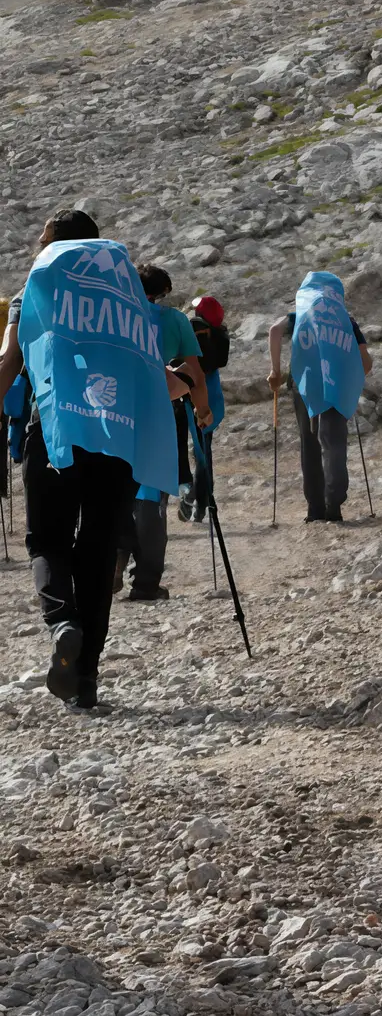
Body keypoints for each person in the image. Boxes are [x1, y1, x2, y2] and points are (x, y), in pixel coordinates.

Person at [0, 210, 186, 708]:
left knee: (47, 539)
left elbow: (8, 362)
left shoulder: (34, 292)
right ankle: (86, 680)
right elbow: (159, 376)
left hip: (57, 431)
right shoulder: (127, 299)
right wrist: (186, 389)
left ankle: (62, 621)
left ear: (54, 243)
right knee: (99, 548)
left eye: (41, 236)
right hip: (117, 438)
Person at [115, 264, 213, 601]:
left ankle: (112, 558)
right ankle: (145, 582)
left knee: (115, 489)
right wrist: (203, 412)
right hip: (159, 409)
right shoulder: (174, 321)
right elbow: (195, 374)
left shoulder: (115, 315)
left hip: (113, 410)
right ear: (163, 291)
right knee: (152, 493)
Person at [267, 272, 372, 522]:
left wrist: (275, 371)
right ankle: (334, 503)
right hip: (336, 387)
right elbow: (365, 363)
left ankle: (314, 509)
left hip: (304, 386)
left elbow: (274, 330)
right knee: (334, 443)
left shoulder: (299, 316)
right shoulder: (347, 321)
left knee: (309, 443)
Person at [186, 294, 230, 522]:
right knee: (204, 450)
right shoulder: (220, 333)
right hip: (212, 394)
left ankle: (196, 497)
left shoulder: (191, 329)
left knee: (198, 453)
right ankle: (204, 503)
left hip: (189, 392)